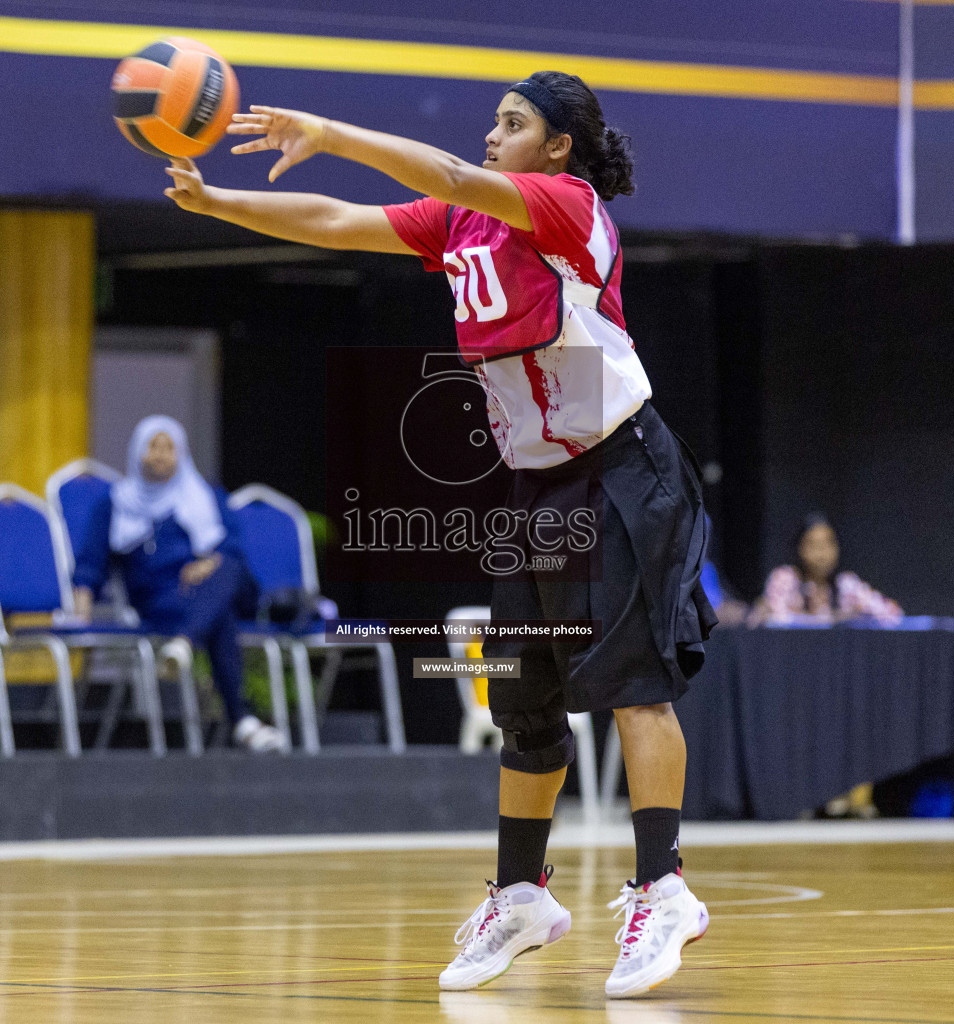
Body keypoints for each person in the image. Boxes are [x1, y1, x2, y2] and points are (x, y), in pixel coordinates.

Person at [164, 70, 717, 997]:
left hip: (623, 470)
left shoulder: (567, 209)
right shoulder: (462, 227)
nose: (494, 135)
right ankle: (520, 896)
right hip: (536, 486)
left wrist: (330, 127)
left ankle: (663, 888)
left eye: (514, 123)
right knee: (522, 699)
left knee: (635, 688)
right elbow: (338, 222)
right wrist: (219, 202)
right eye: (492, 122)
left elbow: (454, 175)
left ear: (558, 147)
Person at [70, 416, 284, 753]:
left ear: (181, 454)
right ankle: (242, 720)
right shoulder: (114, 504)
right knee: (219, 615)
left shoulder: (205, 495)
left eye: (169, 448)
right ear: (137, 452)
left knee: (227, 568)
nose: (161, 455)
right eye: (153, 446)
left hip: (224, 584)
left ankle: (185, 640)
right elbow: (91, 562)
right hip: (162, 599)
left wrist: (207, 564)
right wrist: (81, 605)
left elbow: (233, 549)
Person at [757, 513, 902, 625]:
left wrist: (859, 615)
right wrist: (830, 618)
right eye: (813, 545)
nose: (822, 554)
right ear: (800, 548)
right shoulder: (786, 578)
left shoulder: (845, 584)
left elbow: (893, 614)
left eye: (828, 544)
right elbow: (773, 619)